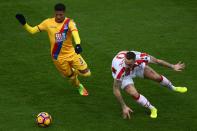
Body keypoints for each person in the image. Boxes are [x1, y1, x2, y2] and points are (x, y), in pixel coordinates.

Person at [15, 3, 91, 96]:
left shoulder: (69, 23)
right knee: (70, 77)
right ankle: (79, 86)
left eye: (61, 15)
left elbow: (75, 34)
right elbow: (32, 31)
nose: (58, 17)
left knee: (87, 73)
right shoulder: (47, 23)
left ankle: (75, 70)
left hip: (72, 53)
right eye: (57, 14)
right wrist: (24, 24)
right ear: (54, 13)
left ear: (64, 13)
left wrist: (78, 44)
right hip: (57, 57)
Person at [111, 50, 187, 119]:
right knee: (134, 94)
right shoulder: (120, 70)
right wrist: (123, 106)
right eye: (126, 63)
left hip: (136, 67)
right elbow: (115, 89)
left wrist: (173, 66)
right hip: (125, 75)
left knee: (157, 77)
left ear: (135, 60)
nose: (127, 66)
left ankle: (173, 88)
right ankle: (152, 109)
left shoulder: (141, 57)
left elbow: (157, 61)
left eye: (129, 64)